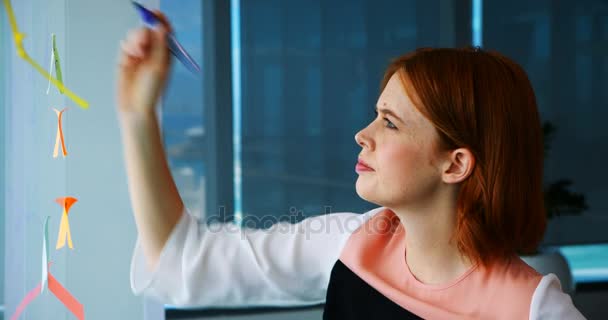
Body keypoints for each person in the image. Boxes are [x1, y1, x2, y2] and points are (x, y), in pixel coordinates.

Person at [116, 12, 585, 319]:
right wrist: (137, 116)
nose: (363, 135)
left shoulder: (534, 309)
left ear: (455, 163)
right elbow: (184, 266)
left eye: (390, 123)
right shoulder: (352, 244)